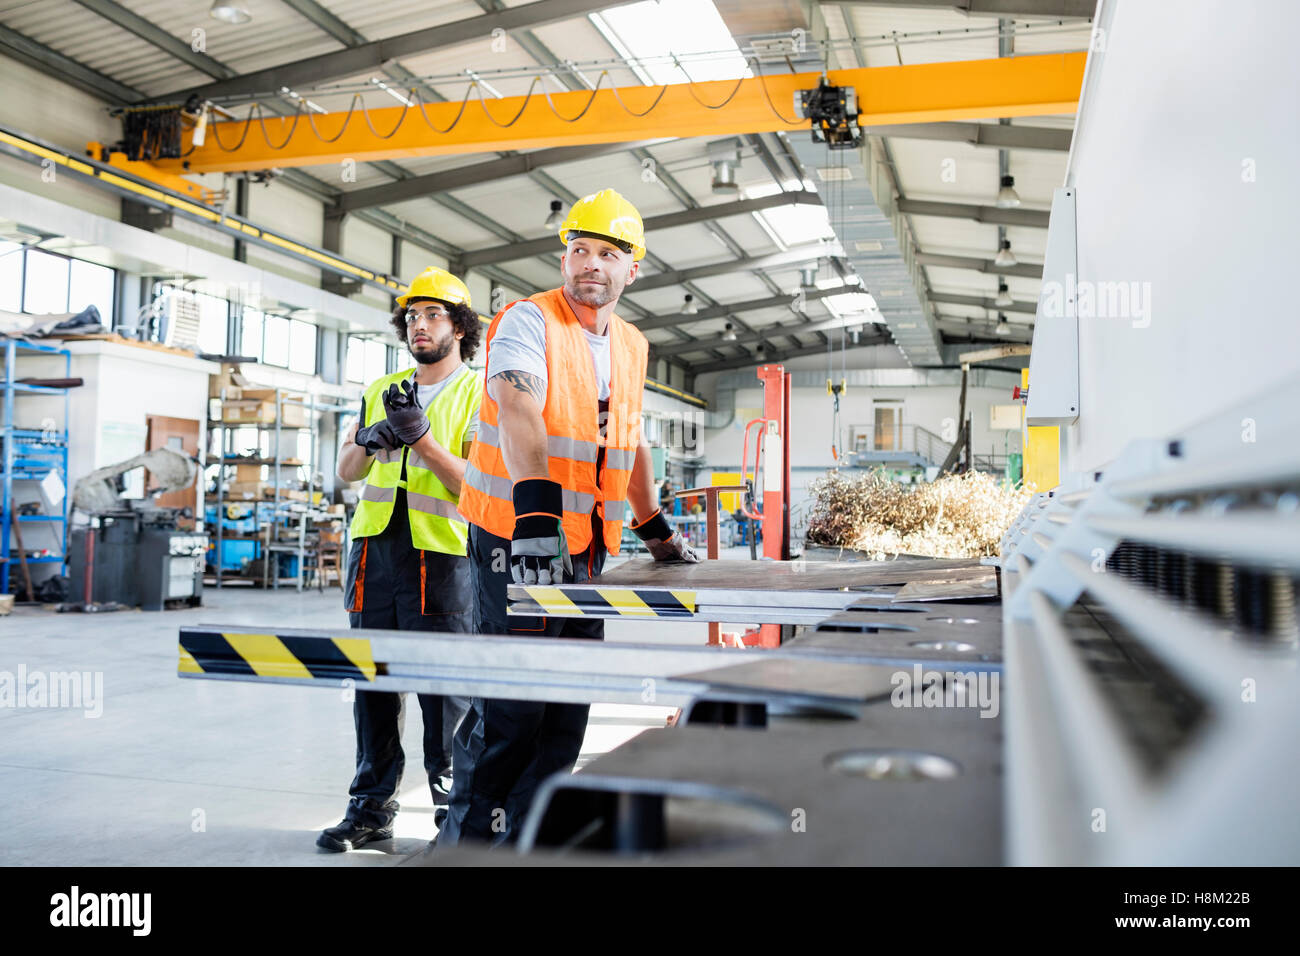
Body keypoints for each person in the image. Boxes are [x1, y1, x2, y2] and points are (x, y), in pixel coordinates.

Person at [441, 189, 700, 846]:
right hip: (514, 535)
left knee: (564, 708)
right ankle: (467, 848)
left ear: (632, 268)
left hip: (585, 548)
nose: (589, 263)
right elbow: (519, 407)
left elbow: (629, 438)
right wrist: (534, 515)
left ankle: (528, 843)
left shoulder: (633, 345)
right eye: (579, 249)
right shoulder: (528, 321)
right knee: (511, 707)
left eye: (607, 253)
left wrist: (654, 527)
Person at [317, 266, 483, 852]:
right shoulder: (380, 388)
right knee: (373, 687)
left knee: (445, 695)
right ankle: (368, 811)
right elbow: (345, 471)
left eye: (433, 314)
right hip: (376, 554)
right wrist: (368, 440)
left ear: (459, 327)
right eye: (412, 315)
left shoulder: (479, 393)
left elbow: (478, 488)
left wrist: (421, 439)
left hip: (442, 559)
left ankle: (455, 821)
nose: (419, 324)